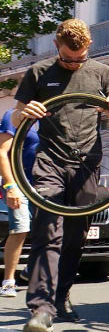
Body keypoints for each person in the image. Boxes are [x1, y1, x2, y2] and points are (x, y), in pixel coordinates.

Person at [12, 19, 109, 332]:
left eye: (80, 58)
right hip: (50, 160)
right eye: (67, 58)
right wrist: (25, 113)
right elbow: (16, 116)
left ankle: (61, 297)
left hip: (87, 161)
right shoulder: (38, 72)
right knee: (47, 231)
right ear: (56, 46)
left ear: (88, 48)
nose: (74, 63)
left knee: (76, 235)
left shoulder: (103, 73)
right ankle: (41, 309)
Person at [0, 109, 39, 297]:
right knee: (20, 229)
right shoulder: (14, 115)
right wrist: (10, 186)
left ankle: (31, 269)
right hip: (19, 183)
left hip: (44, 183)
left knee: (49, 229)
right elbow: (2, 152)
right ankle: (8, 282)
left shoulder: (52, 116)